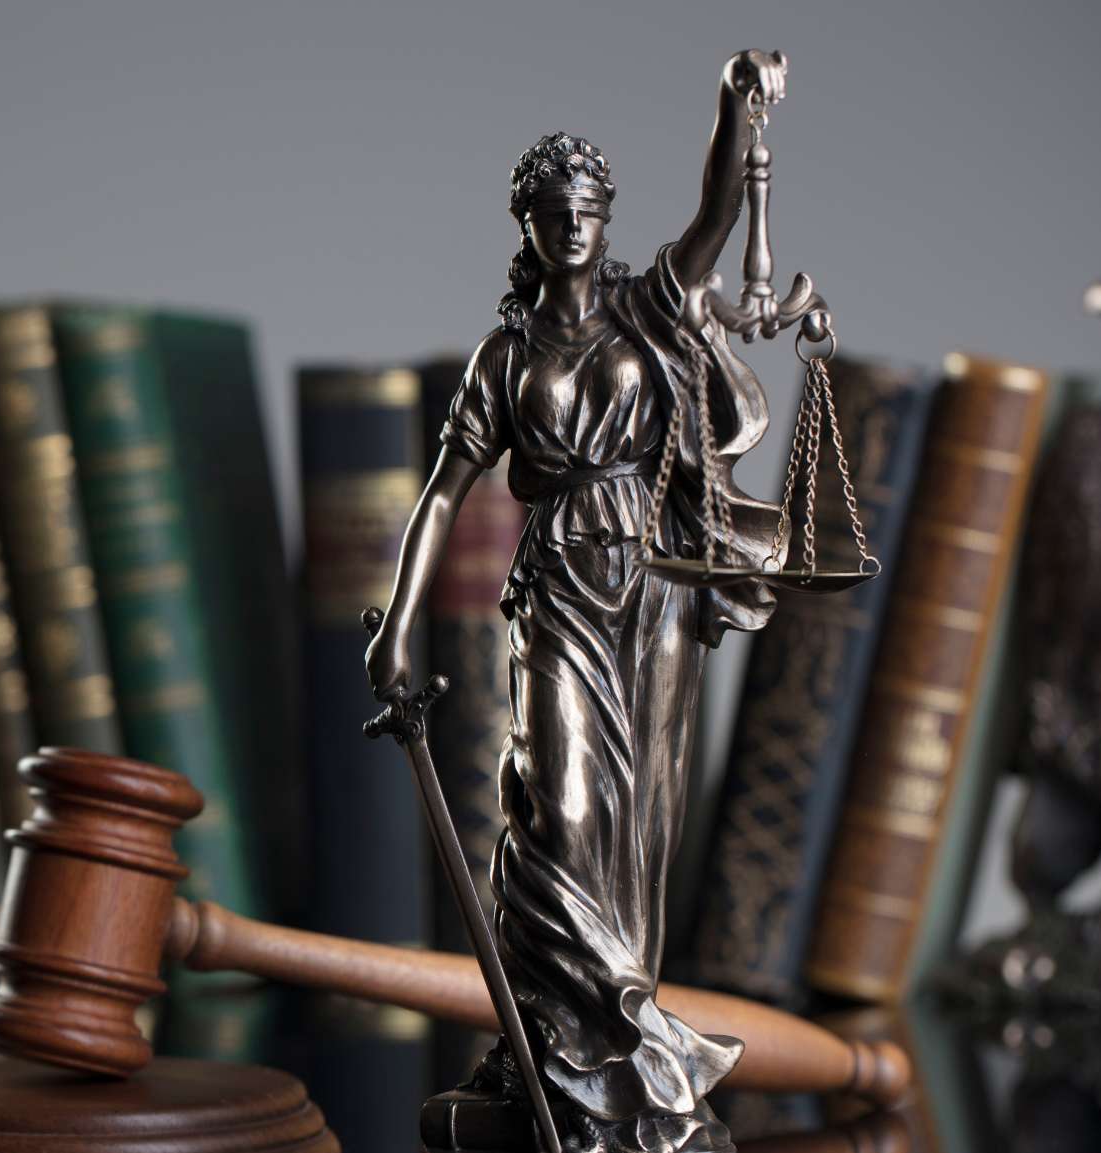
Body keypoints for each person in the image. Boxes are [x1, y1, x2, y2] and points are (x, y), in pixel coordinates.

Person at [364, 50, 791, 1153]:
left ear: (605, 222)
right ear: (527, 224)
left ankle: (613, 1067)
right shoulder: (504, 355)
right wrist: (400, 623)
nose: (570, 227)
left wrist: (735, 103)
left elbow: (715, 211)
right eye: (552, 212)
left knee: (637, 827)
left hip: (651, 593)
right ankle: (571, 1039)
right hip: (558, 589)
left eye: (586, 212)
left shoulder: (649, 309)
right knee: (558, 808)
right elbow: (442, 493)